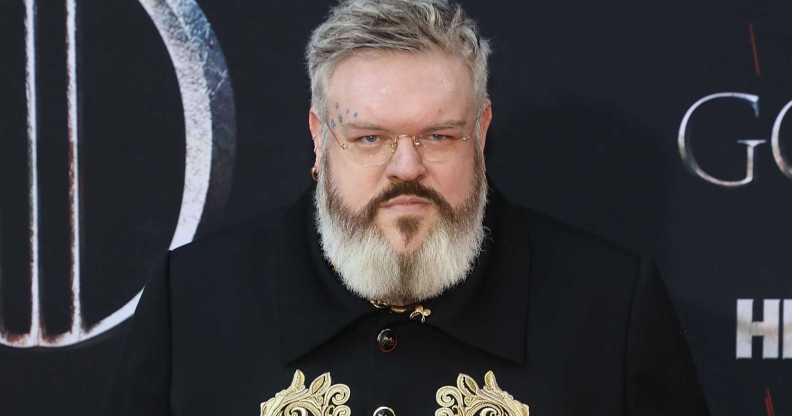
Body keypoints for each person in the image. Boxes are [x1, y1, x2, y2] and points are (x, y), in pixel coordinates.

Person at [110, 1, 710, 415]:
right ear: (319, 139)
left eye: (438, 136)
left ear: (481, 132)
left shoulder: (609, 306)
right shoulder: (192, 300)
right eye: (369, 138)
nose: (405, 168)